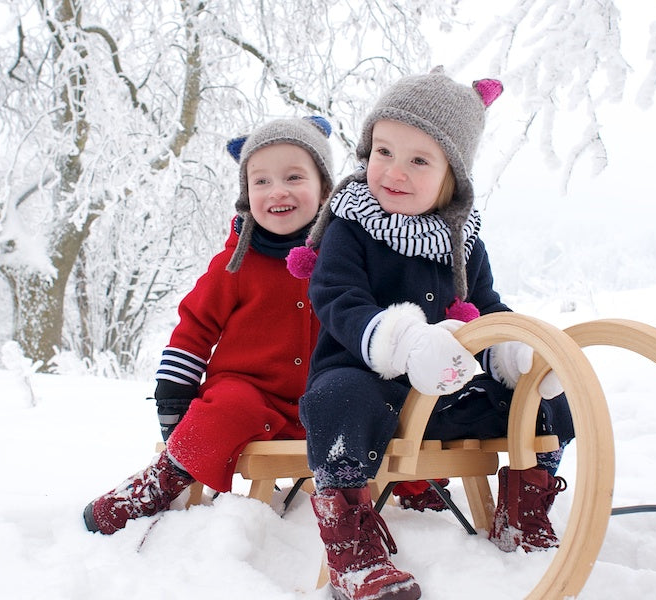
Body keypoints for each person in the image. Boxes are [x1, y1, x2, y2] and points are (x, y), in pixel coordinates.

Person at [287, 69, 573, 600]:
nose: (393, 171)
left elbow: (485, 307)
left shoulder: (462, 241)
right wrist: (407, 341)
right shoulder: (348, 228)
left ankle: (524, 511)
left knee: (548, 396)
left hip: (447, 396)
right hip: (370, 386)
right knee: (336, 399)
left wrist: (513, 352)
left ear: (452, 176)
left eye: (419, 160)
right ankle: (352, 549)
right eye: (383, 151)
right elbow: (339, 300)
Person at [83, 116, 334, 535]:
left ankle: (415, 483)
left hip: (321, 397)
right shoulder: (234, 264)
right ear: (246, 193)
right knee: (228, 406)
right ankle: (165, 476)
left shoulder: (342, 263)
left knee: (363, 402)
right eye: (261, 181)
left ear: (325, 189)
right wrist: (173, 394)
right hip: (248, 393)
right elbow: (195, 327)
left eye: (294, 177)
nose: (277, 191)